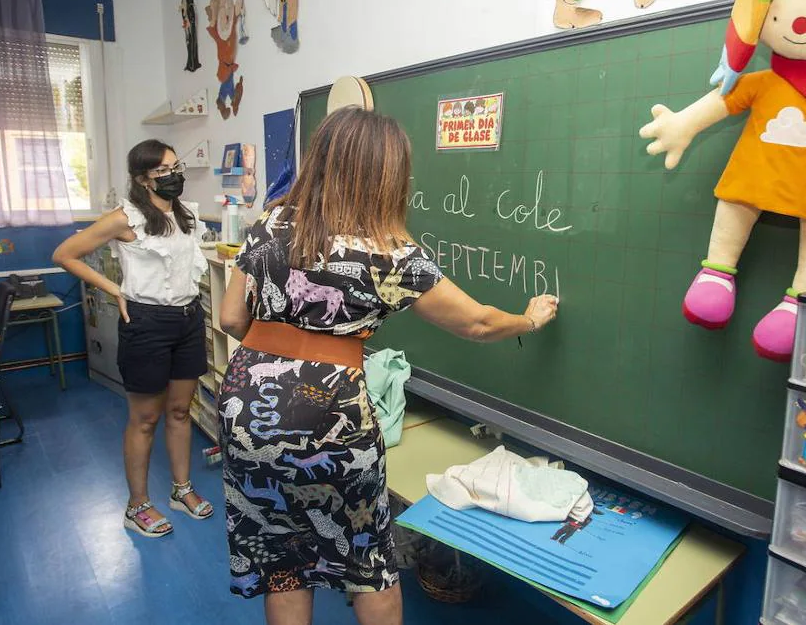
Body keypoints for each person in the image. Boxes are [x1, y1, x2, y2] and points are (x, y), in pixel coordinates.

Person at [217, 107, 559, 625]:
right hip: (329, 415)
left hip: (245, 404)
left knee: (282, 560)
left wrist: (276, 356)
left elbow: (230, 317)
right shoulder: (392, 254)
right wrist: (528, 320)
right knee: (367, 560)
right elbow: (478, 324)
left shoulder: (269, 222)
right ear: (386, 175)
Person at [53, 139, 214, 538]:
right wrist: (114, 288)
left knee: (181, 412)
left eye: (177, 167)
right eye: (163, 171)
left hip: (189, 319)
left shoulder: (187, 215)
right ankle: (137, 505)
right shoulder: (125, 218)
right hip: (147, 322)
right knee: (145, 419)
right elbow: (65, 253)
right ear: (143, 179)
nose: (174, 175)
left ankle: (182, 490)